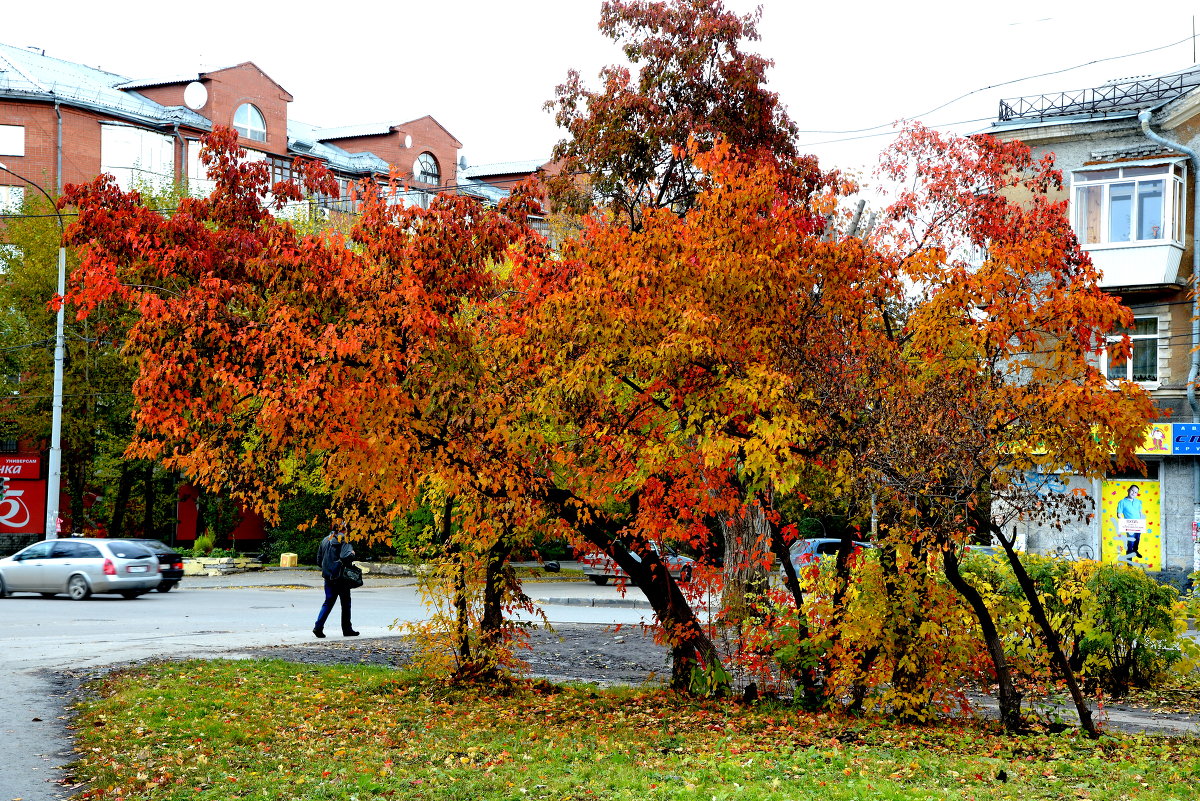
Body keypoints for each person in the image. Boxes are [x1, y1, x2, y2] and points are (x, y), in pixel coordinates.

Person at [314, 529, 359, 638]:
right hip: (341, 577)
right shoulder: (345, 541)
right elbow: (345, 557)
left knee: (328, 602)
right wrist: (352, 554)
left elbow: (319, 560)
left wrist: (328, 569)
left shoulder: (326, 539)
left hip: (328, 577)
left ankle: (318, 627)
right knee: (346, 603)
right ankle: (347, 629)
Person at [1116, 484, 1144, 560]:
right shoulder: (1122, 502)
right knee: (1131, 542)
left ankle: (1135, 550)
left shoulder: (1138, 502)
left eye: (1135, 492)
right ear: (1128, 490)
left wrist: (1142, 521)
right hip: (1129, 525)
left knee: (1137, 539)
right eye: (1132, 490)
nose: (1133, 493)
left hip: (1138, 525)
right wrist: (1123, 522)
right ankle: (1129, 560)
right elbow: (1119, 514)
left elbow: (1140, 512)